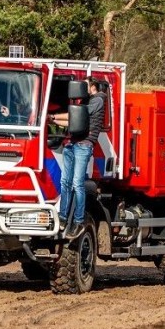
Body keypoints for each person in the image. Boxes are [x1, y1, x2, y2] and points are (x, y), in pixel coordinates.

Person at [49, 78, 105, 236]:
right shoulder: (86, 101)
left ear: (92, 86)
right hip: (72, 144)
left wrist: (54, 117)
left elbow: (77, 115)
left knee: (77, 184)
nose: (80, 89)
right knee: (65, 182)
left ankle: (79, 220)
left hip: (83, 145)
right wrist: (52, 119)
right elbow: (73, 120)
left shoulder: (98, 100)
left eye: (84, 85)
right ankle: (63, 217)